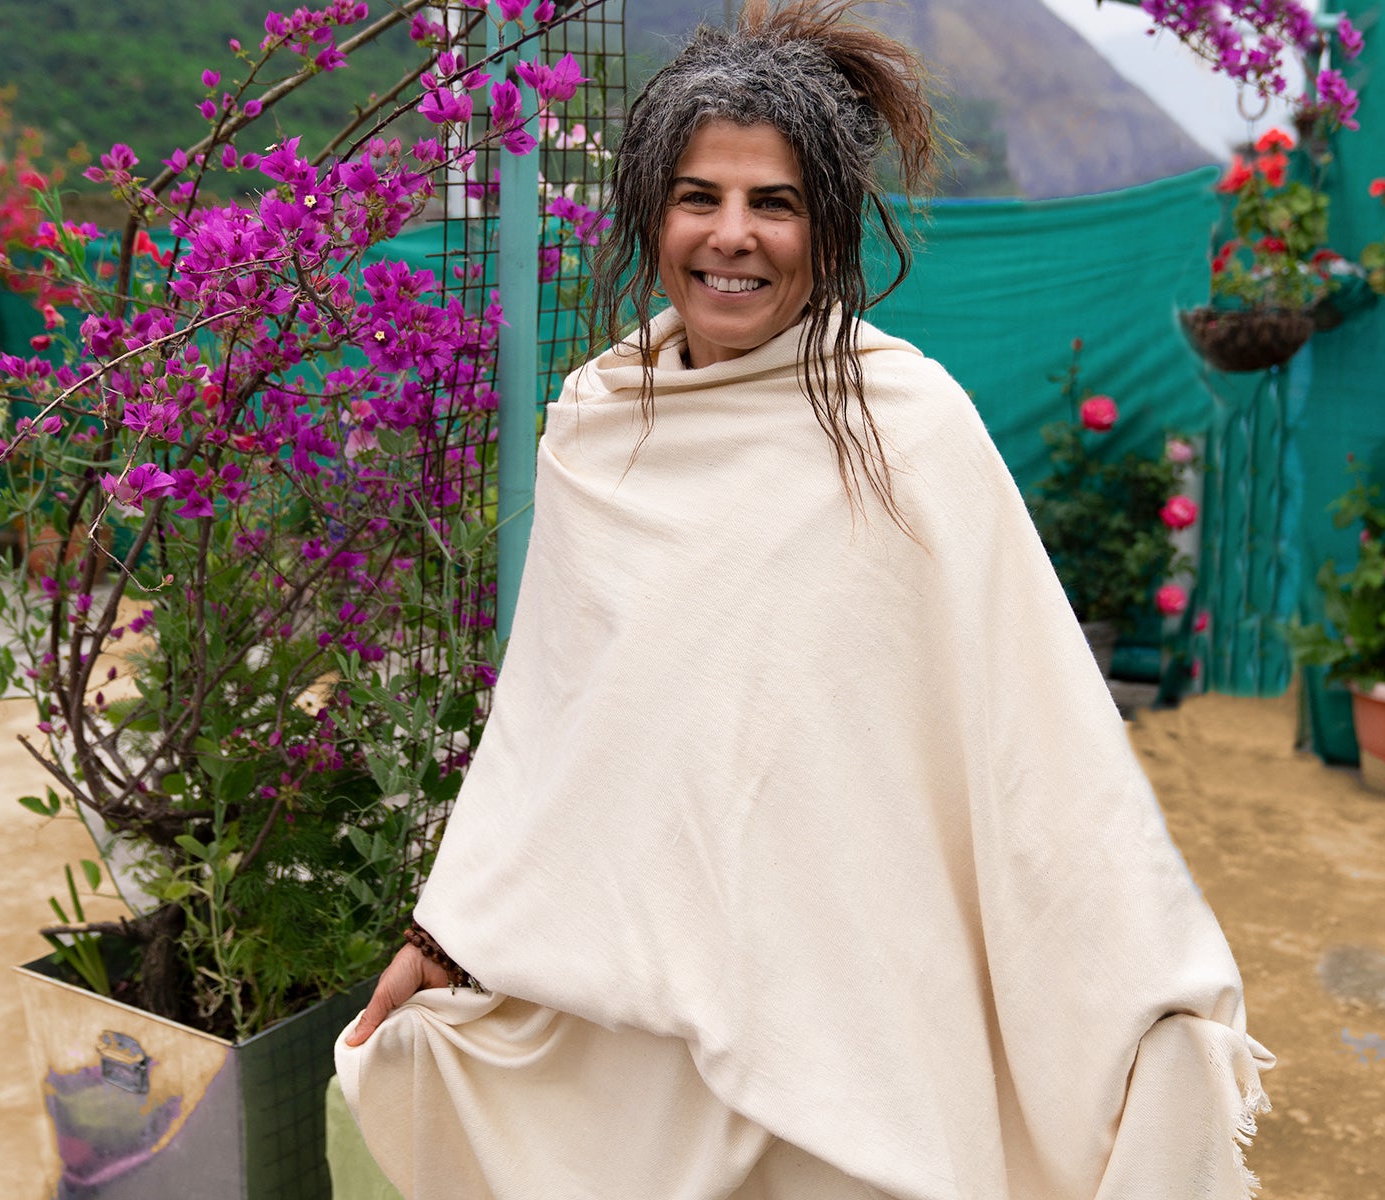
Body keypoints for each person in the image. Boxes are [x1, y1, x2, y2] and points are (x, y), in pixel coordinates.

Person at [336, 2, 1274, 1196]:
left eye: (771, 203)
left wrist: (1138, 983)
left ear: (826, 230)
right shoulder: (598, 425)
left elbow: (1032, 726)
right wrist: (449, 928)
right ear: (652, 215)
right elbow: (557, 718)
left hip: (854, 1000)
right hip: (648, 992)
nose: (731, 236)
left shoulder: (907, 428)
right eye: (698, 196)